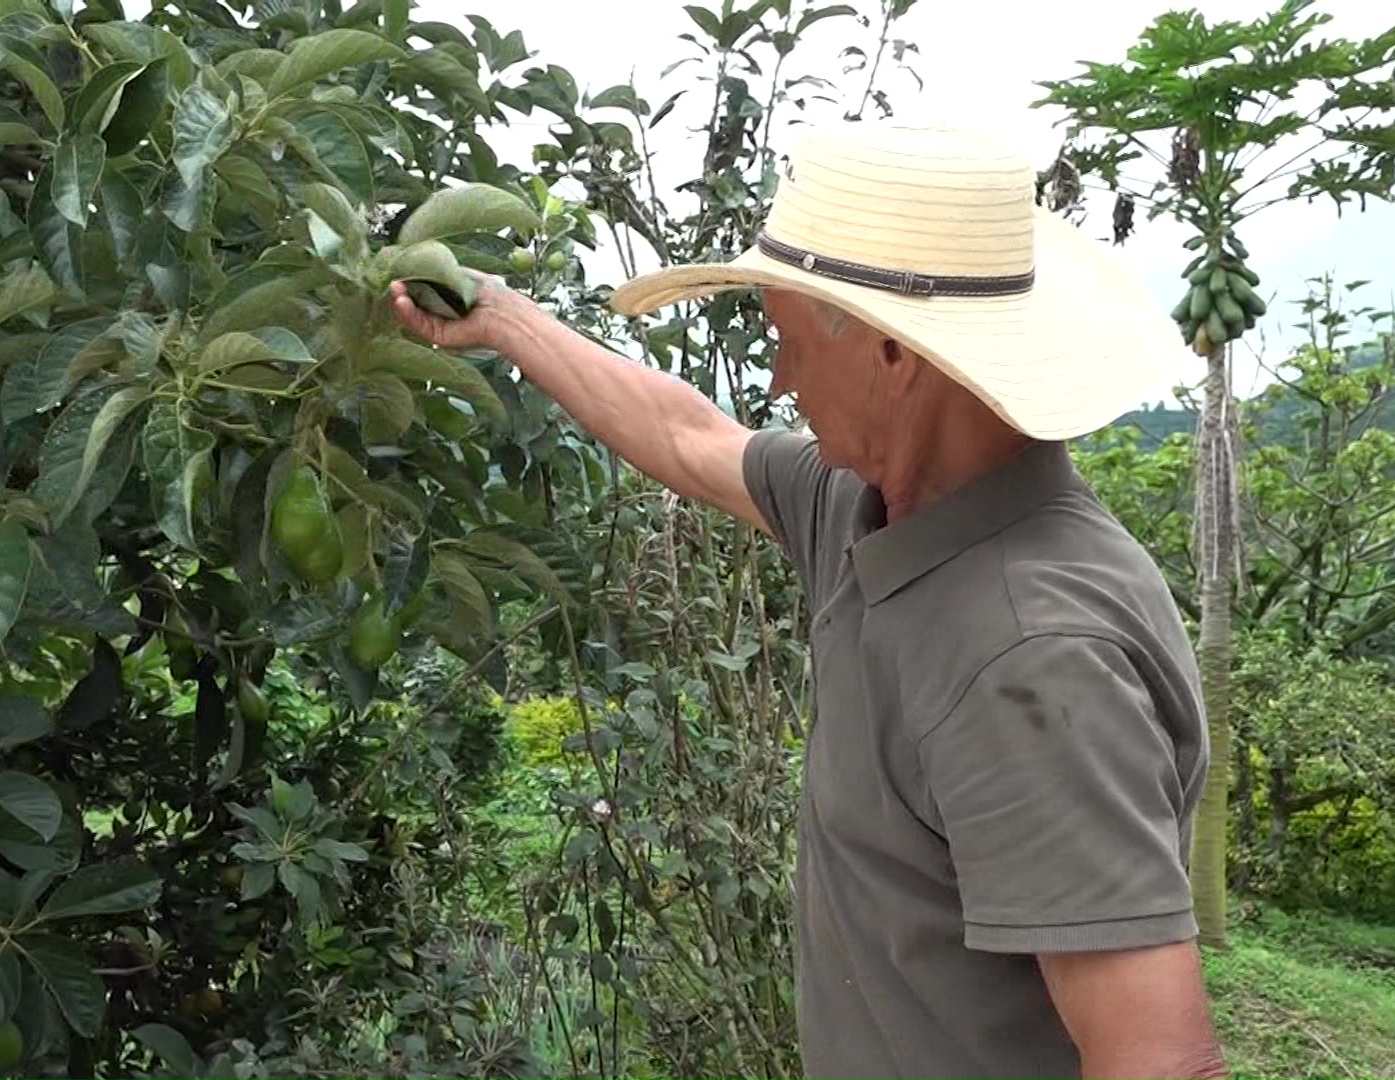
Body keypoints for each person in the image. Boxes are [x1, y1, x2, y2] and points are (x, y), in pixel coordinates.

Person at [387, 123, 1227, 1080]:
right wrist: (501, 318)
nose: (780, 378)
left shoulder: (1027, 655)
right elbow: (690, 436)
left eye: (787, 340)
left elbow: (1161, 1063)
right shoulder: (871, 508)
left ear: (892, 354)